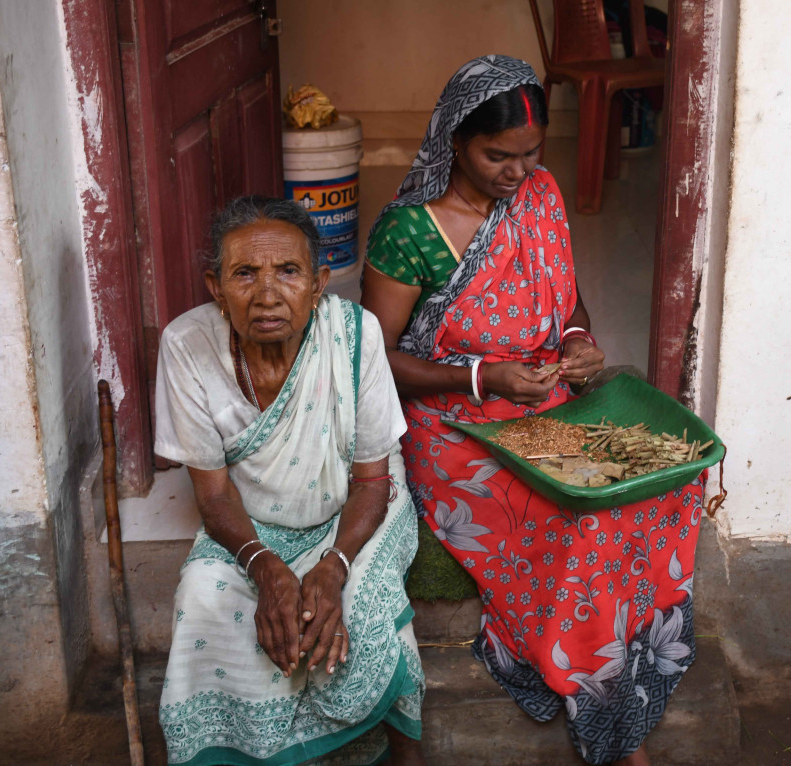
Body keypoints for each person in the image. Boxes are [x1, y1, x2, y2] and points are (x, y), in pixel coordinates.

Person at [360, 56, 705, 766]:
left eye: (530, 154)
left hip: (544, 401)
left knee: (662, 487)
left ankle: (628, 661)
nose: (517, 172)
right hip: (454, 428)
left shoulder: (540, 196)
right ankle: (605, 709)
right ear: (455, 140)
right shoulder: (410, 231)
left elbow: (564, 299)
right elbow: (372, 361)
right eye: (496, 156)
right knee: (570, 521)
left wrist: (578, 339)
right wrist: (483, 377)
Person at [154, 196, 425, 766]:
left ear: (320, 281)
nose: (267, 293)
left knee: (355, 604)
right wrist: (265, 564)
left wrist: (335, 564)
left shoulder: (356, 335)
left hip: (358, 510)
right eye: (245, 273)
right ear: (215, 285)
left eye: (289, 271)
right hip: (252, 523)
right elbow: (214, 492)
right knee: (203, 596)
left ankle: (396, 750)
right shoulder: (187, 345)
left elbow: (374, 482)